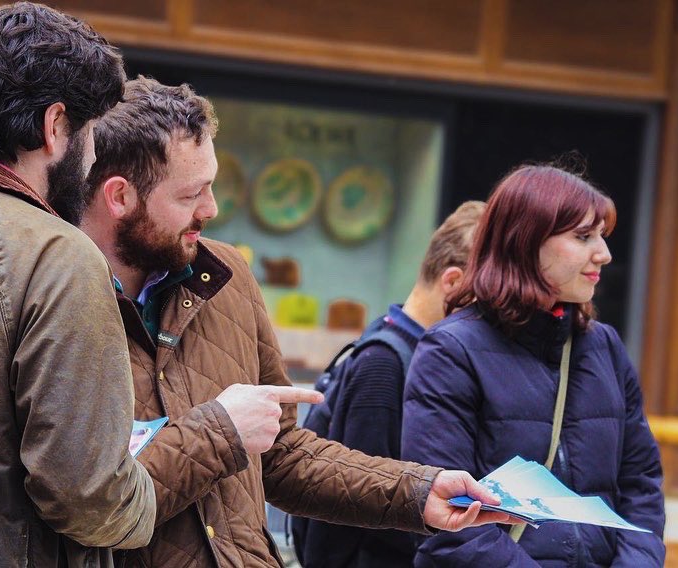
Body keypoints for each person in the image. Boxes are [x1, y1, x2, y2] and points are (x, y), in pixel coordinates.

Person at [80, 76, 512, 568]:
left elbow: (282, 455)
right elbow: (90, 507)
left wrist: (417, 491)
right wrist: (222, 430)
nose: (212, 209)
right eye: (191, 194)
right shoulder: (53, 300)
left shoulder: (226, 275)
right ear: (119, 197)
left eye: (213, 186)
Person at [0, 4, 156, 566]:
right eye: (91, 133)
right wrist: (146, 501)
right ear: (55, 128)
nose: (93, 157)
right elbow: (87, 495)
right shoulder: (60, 257)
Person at [401, 165, 666, 567]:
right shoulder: (450, 350)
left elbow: (641, 485)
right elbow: (450, 519)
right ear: (525, 242)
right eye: (583, 237)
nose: (604, 254)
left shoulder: (605, 346)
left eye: (602, 237)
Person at [295, 200, 486, 568]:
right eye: (486, 300)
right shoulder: (385, 365)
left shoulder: (405, 348)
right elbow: (345, 506)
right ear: (453, 282)